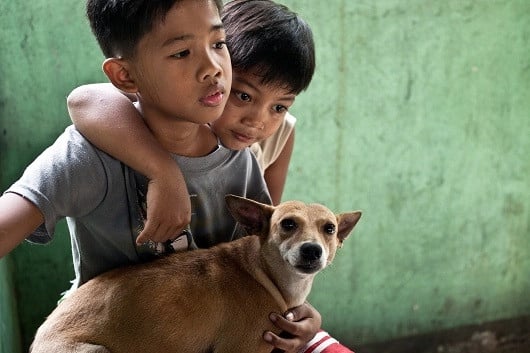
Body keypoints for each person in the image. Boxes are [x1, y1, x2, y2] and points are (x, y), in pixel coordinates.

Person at [67, 1, 355, 352]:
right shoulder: (172, 129)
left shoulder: (276, 136)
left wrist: (300, 313)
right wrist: (163, 172)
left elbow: (268, 244)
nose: (258, 121)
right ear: (219, 75)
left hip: (226, 307)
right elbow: (85, 99)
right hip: (131, 313)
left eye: (279, 106)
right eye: (243, 95)